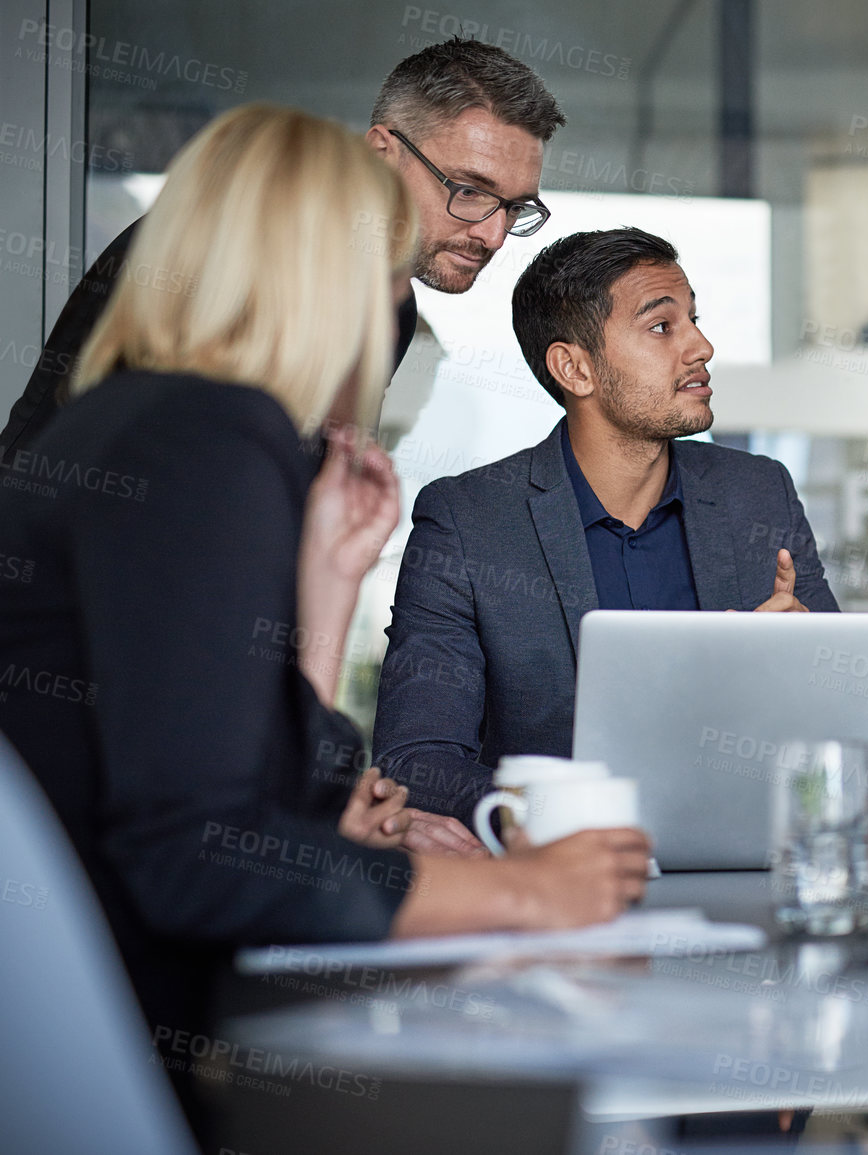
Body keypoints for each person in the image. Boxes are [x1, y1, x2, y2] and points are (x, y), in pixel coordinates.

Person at [0, 107, 652, 1118]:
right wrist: (530, 890)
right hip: (134, 1056)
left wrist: (327, 584)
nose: (393, 310)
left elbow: (251, 789)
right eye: (388, 274)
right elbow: (199, 857)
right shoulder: (207, 438)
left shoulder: (140, 426)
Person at [373, 227, 838, 823]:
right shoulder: (468, 522)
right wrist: (578, 815)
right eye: (662, 326)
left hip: (740, 860)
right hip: (560, 881)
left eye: (694, 319)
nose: (702, 347)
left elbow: (838, 727)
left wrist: (804, 675)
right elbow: (417, 761)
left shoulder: (757, 494)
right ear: (575, 368)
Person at [0, 37, 560, 460]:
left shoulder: (391, 309)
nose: (492, 234)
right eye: (468, 190)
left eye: (515, 208)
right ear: (382, 153)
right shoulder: (218, 249)